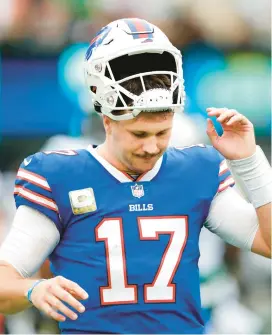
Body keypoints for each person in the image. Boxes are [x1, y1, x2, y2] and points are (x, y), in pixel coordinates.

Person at [0, 18, 271, 334]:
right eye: (139, 133)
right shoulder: (60, 174)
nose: (152, 146)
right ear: (107, 119)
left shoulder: (196, 169)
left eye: (163, 132)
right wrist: (34, 290)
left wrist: (250, 162)